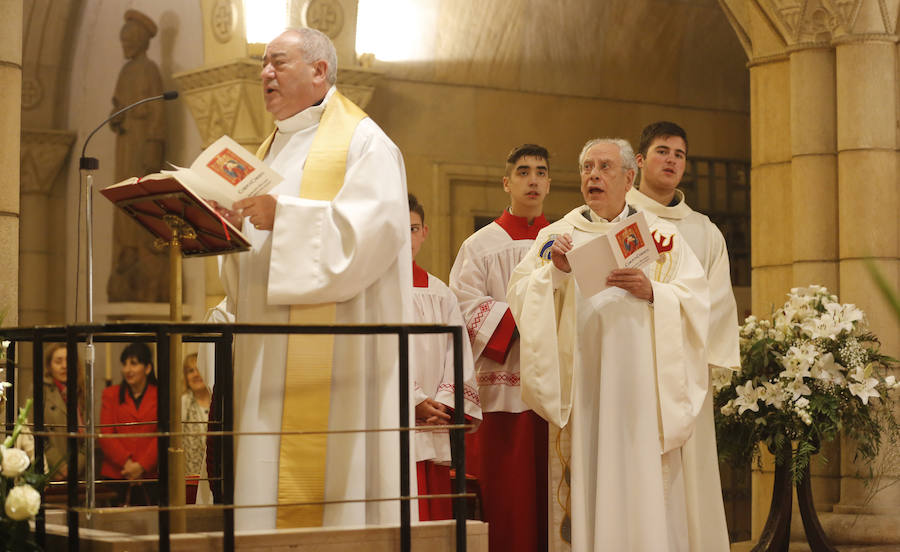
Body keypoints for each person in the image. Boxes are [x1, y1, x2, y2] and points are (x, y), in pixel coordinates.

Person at [212, 27, 413, 530]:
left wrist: (286, 216)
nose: (265, 74)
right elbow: (252, 261)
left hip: (337, 365)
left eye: (278, 62)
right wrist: (225, 228)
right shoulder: (270, 148)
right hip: (264, 350)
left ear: (320, 70)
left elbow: (369, 237)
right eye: (263, 64)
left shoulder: (365, 143)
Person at [507, 138, 710, 551]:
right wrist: (557, 274)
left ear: (628, 177)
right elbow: (520, 295)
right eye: (587, 168)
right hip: (586, 391)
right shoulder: (557, 236)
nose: (593, 176)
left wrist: (654, 291)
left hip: (643, 395)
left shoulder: (661, 236)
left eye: (604, 167)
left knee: (645, 485)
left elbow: (696, 301)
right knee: (588, 474)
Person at [627, 121, 739, 550]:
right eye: (662, 151)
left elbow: (716, 304)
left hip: (685, 373)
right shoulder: (621, 220)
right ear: (639, 161)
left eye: (679, 154)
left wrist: (661, 299)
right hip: (633, 370)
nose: (671, 160)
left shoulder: (703, 230)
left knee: (690, 476)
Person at [448, 144, 551, 552]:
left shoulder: (563, 239)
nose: (533, 180)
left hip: (554, 393)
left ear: (548, 183)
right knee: (509, 499)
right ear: (507, 183)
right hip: (502, 393)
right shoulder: (480, 245)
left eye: (541, 172)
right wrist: (528, 317)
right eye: (523, 172)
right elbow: (463, 304)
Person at [408, 193, 482, 521]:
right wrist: (411, 400)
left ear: (425, 232)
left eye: (412, 228)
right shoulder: (370, 293)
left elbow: (459, 353)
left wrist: (442, 405)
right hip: (392, 421)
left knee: (433, 517)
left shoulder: (441, 293)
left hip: (434, 422)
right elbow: (374, 355)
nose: (405, 238)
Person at [107, 9, 169, 302]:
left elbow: (158, 112)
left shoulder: (150, 70)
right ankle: (125, 255)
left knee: (139, 198)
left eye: (129, 40)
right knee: (123, 201)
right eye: (123, 40)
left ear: (142, 40)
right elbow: (117, 106)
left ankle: (140, 255)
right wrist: (116, 118)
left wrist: (153, 147)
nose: (125, 46)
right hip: (126, 144)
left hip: (142, 146)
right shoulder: (125, 71)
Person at [99, 342, 159, 506]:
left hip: (150, 475)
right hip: (118, 474)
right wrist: (128, 465)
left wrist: (141, 466)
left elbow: (163, 434)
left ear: (147, 368)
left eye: (134, 363)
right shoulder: (111, 394)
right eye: (124, 364)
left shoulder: (161, 394)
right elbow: (105, 435)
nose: (127, 369)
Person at [41, 343, 86, 480]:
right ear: (49, 366)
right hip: (50, 468)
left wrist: (76, 465)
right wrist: (58, 465)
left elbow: (91, 432)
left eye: (68, 360)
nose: (64, 366)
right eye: (58, 361)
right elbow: (34, 432)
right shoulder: (40, 389)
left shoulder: (82, 390)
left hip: (79, 471)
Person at [181, 353, 210, 504]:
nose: (195, 374)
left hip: (214, 480)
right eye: (190, 371)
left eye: (199, 369)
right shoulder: (181, 403)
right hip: (188, 483)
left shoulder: (219, 402)